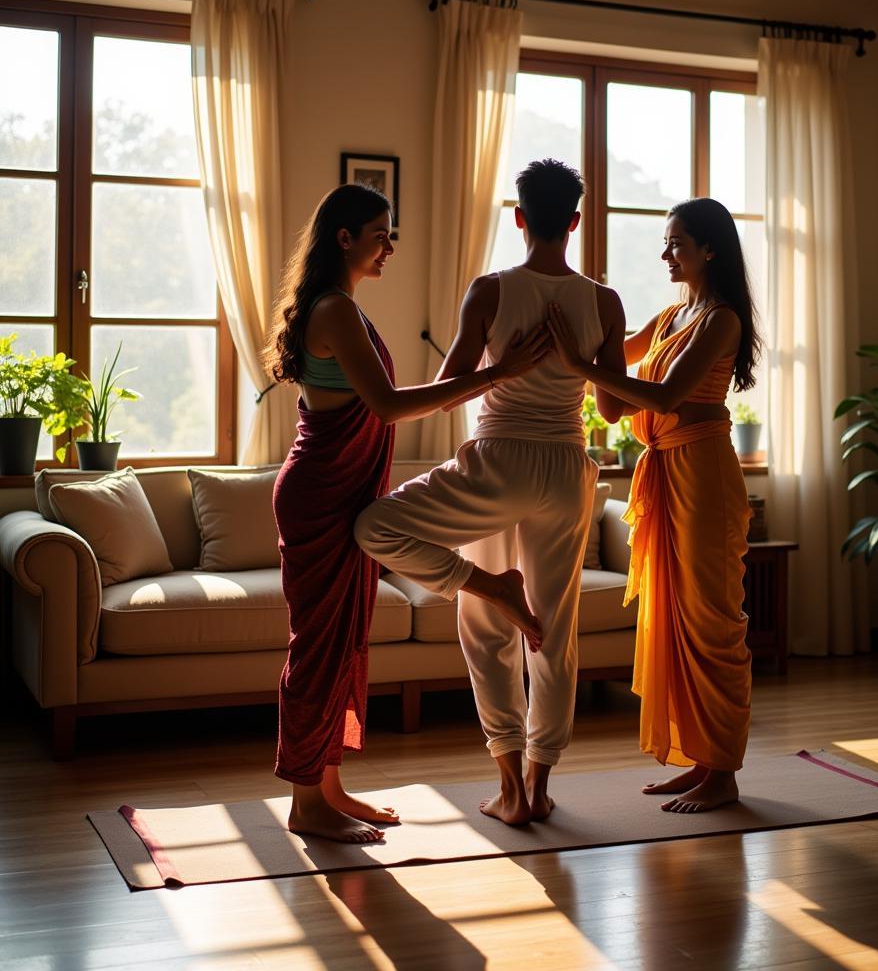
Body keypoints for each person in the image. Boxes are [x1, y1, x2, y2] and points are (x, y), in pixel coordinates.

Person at [266, 183, 548, 844]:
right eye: (381, 234)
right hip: (320, 496)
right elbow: (389, 406)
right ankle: (306, 804)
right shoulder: (333, 310)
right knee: (316, 651)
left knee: (342, 648)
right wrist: (492, 375)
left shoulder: (342, 307)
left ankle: (329, 788)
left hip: (344, 496)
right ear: (346, 238)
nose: (389, 246)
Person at [356, 160, 626, 826]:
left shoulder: (490, 290)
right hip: (566, 466)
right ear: (574, 221)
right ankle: (538, 786)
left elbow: (452, 388)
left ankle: (509, 787)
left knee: (471, 610)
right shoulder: (605, 300)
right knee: (554, 631)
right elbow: (615, 412)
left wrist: (502, 370)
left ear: (519, 217)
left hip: (499, 461)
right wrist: (581, 365)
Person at [546, 196, 761, 814]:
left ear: (709, 250)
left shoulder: (720, 321)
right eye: (665, 244)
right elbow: (613, 395)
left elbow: (664, 394)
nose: (666, 254)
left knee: (714, 622)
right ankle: (700, 762)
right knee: (676, 616)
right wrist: (581, 331)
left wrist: (586, 362)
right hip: (665, 470)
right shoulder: (670, 317)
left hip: (705, 478)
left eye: (676, 244)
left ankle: (723, 770)